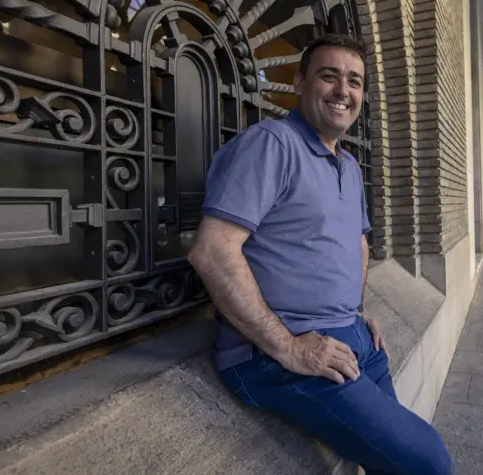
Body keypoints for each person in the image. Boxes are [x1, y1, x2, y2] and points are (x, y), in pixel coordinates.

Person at [187, 34, 453, 475]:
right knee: (429, 461)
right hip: (277, 357)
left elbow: (358, 243)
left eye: (354, 81)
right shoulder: (272, 143)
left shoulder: (348, 165)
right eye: (329, 76)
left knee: (392, 464)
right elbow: (212, 250)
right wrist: (288, 347)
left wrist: (356, 311)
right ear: (299, 83)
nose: (342, 91)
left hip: (356, 340)